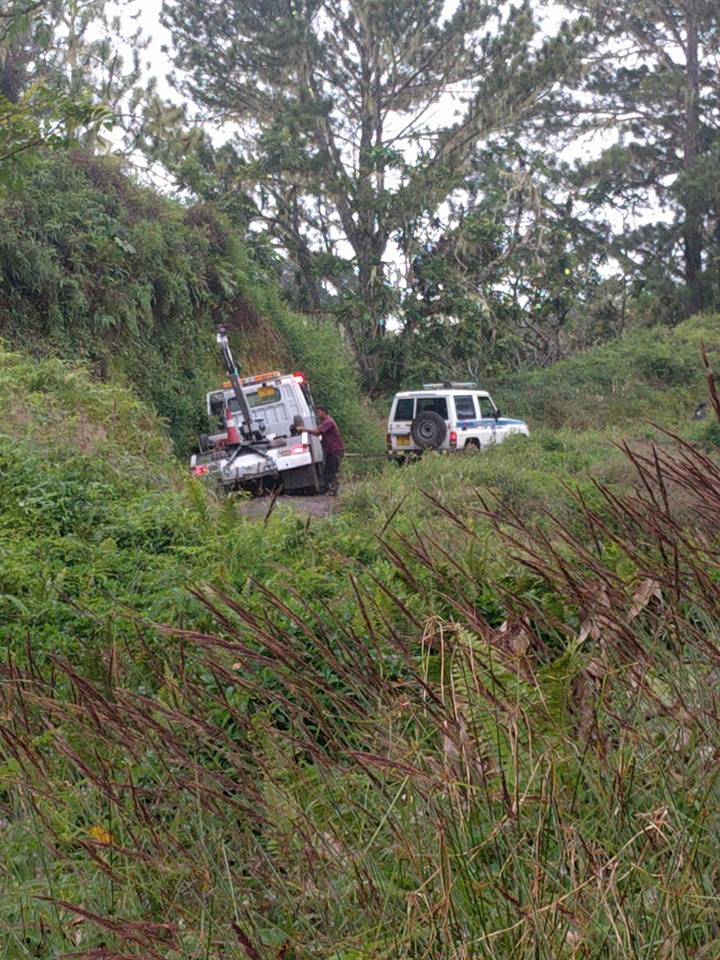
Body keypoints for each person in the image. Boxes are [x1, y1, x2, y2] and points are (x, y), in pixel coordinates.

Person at [306, 405, 345, 495]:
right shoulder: (325, 422)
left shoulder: (328, 422)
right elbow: (318, 433)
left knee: (333, 470)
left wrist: (304, 429)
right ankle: (327, 489)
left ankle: (335, 490)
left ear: (324, 412)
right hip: (331, 450)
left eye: (319, 412)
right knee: (328, 470)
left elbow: (316, 432)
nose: (317, 414)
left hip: (335, 450)